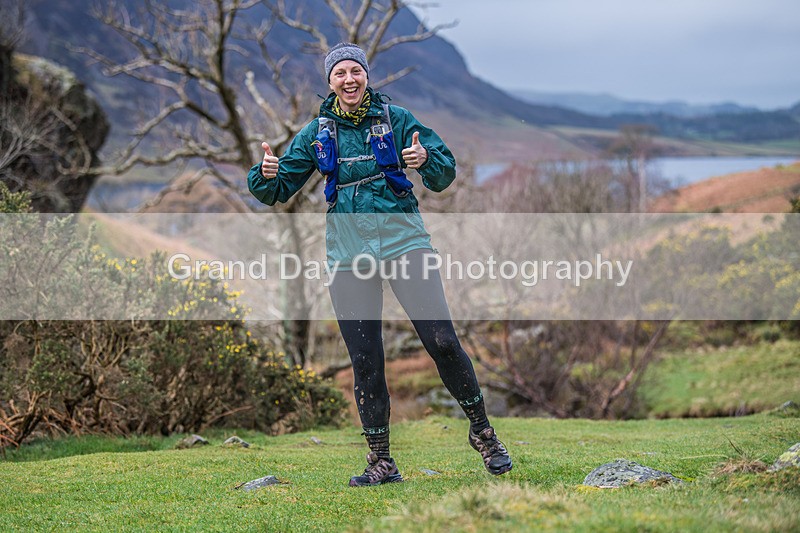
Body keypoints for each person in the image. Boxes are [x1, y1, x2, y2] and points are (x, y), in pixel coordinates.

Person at [248, 43, 512, 486]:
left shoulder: (398, 119)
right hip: (348, 255)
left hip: (405, 242)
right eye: (340, 74)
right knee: (366, 360)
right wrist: (266, 173)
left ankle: (483, 433)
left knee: (443, 341)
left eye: (356, 71)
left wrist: (426, 161)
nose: (349, 80)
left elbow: (444, 173)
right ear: (329, 82)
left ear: (367, 76)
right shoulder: (317, 132)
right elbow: (278, 189)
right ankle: (381, 462)